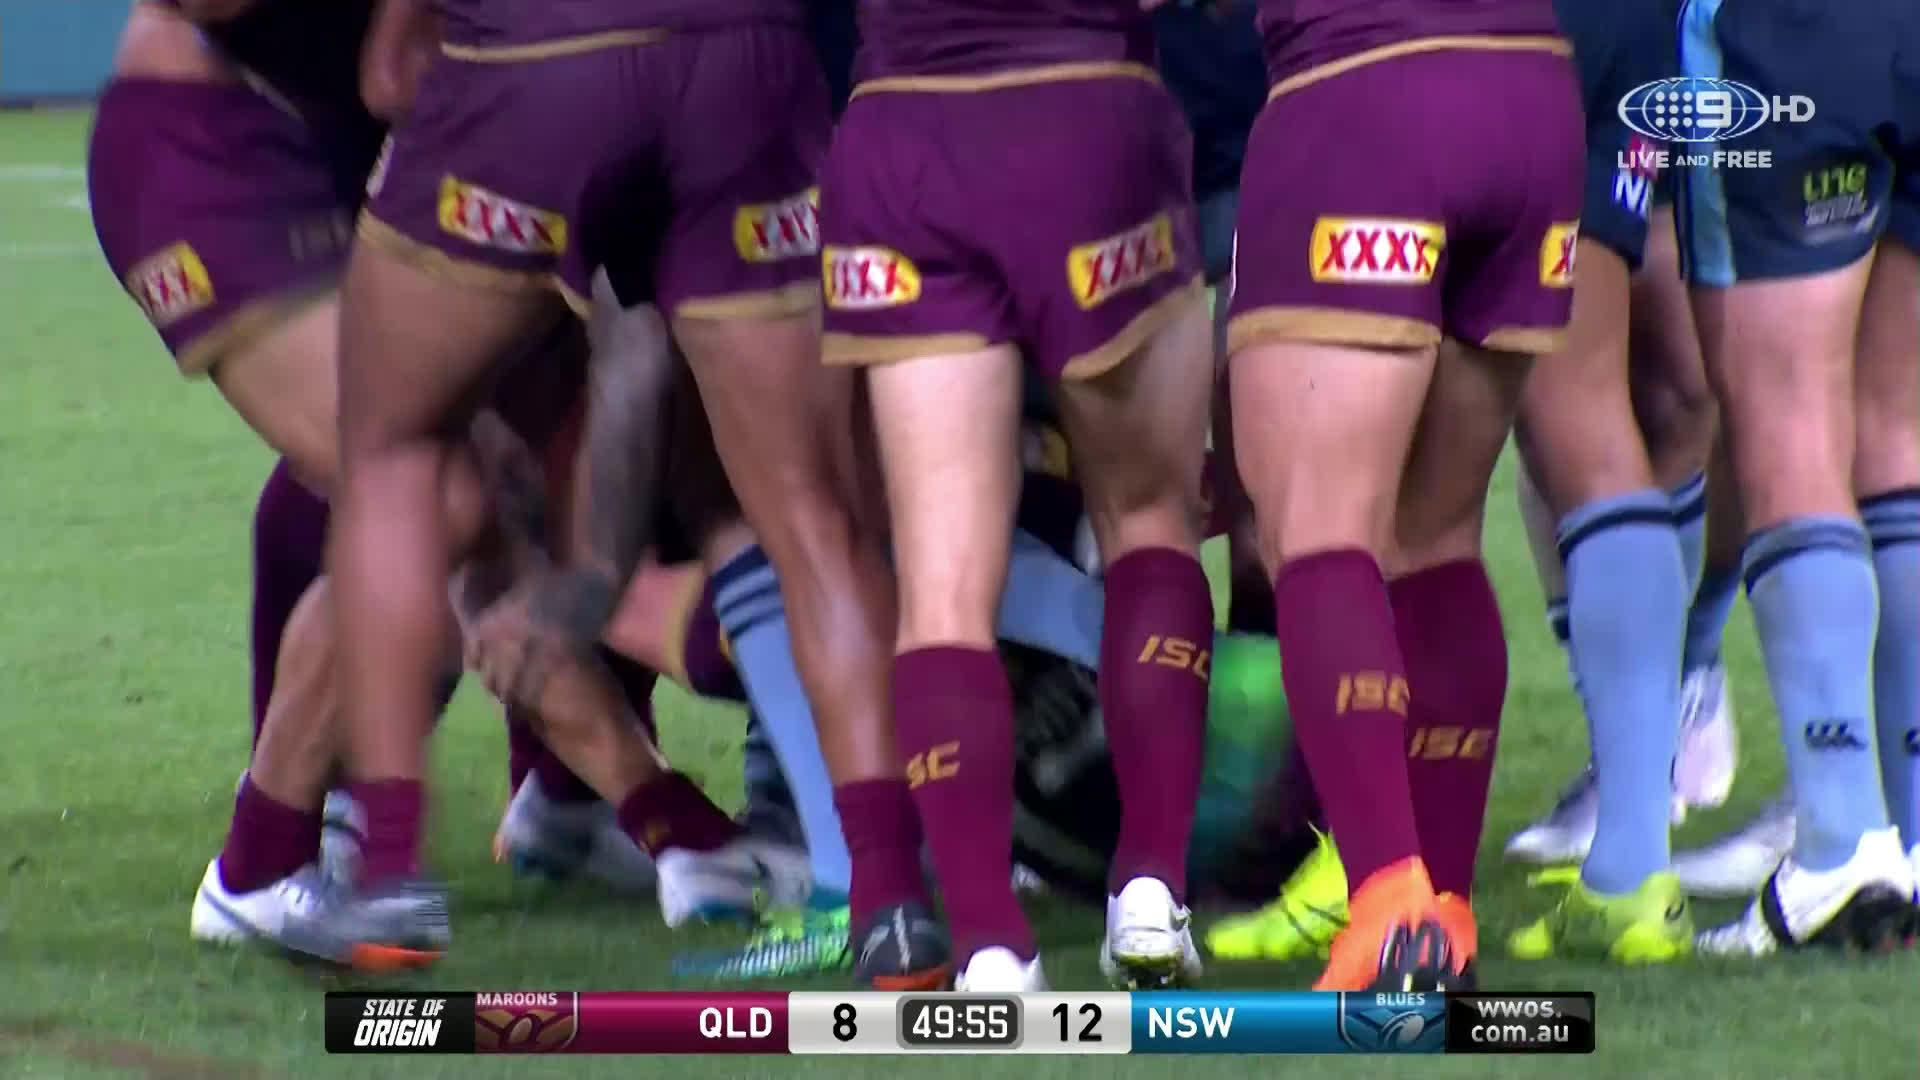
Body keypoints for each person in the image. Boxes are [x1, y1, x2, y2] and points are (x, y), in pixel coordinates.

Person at [820, 0, 1217, 992]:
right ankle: (1150, 889)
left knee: (942, 582)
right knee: (1148, 519)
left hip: (904, 135)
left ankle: (991, 945)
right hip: (1083, 116)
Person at [1225, 0, 1581, 991]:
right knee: (1437, 536)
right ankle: (1443, 916)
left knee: (1319, 534)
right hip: (1532, 99)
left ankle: (1387, 901)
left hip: (1366, 92)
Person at [1675, 0, 1920, 954]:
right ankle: (1907, 834)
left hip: (1797, 36)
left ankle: (1838, 846)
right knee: (1899, 436)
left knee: (1787, 423)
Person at [1494, 0, 1697, 964]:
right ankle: (1631, 866)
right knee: (1593, 424)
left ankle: (1376, 866)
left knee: (1392, 465)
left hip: (1467, 35)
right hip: (1631, 24)